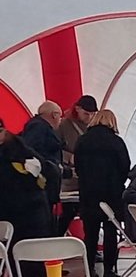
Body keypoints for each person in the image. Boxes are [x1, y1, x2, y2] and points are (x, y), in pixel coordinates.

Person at [0, 117, 61, 277]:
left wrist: (40, 170)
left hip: (28, 215)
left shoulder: (19, 148)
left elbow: (46, 168)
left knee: (32, 257)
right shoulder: (18, 147)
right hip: (24, 213)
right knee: (28, 257)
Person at [74, 110, 131, 277]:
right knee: (110, 231)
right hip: (111, 193)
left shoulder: (82, 140)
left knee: (90, 234)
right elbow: (125, 166)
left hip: (88, 193)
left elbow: (77, 166)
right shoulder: (116, 141)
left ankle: (90, 269)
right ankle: (109, 270)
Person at [57, 95, 98, 235]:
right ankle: (56, 239)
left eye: (93, 114)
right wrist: (69, 158)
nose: (90, 117)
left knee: (88, 214)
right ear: (77, 109)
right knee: (70, 211)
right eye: (87, 113)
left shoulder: (94, 127)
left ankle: (89, 245)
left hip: (89, 177)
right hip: (71, 177)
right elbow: (54, 150)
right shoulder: (63, 125)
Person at [20, 101, 64, 212]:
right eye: (60, 115)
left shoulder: (36, 126)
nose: (60, 120)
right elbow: (32, 152)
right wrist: (53, 167)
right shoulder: (39, 128)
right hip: (42, 183)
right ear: (54, 115)